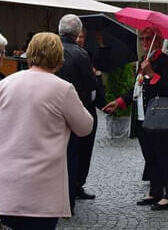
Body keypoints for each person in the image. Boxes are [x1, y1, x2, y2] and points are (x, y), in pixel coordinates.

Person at [0, 33, 93, 230]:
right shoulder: (63, 89)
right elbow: (85, 127)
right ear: (58, 57)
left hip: (6, 186)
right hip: (41, 191)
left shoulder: (5, 84)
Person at [103, 27, 168, 210]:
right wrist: (119, 102)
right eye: (142, 39)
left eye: (148, 39)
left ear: (158, 41)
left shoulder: (166, 61)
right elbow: (136, 89)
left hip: (159, 117)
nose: (144, 42)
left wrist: (152, 73)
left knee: (163, 156)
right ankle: (155, 191)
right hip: (143, 117)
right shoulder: (144, 61)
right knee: (150, 157)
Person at [55, 14, 97, 213]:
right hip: (73, 110)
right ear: (76, 33)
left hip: (50, 112)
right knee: (72, 155)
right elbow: (90, 85)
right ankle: (67, 202)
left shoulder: (50, 49)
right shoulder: (80, 54)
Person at [75, 28, 106, 201]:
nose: (80, 39)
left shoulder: (88, 55)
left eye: (82, 37)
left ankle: (79, 183)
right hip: (76, 107)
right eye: (78, 36)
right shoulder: (72, 56)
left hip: (89, 108)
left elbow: (95, 85)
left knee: (86, 149)